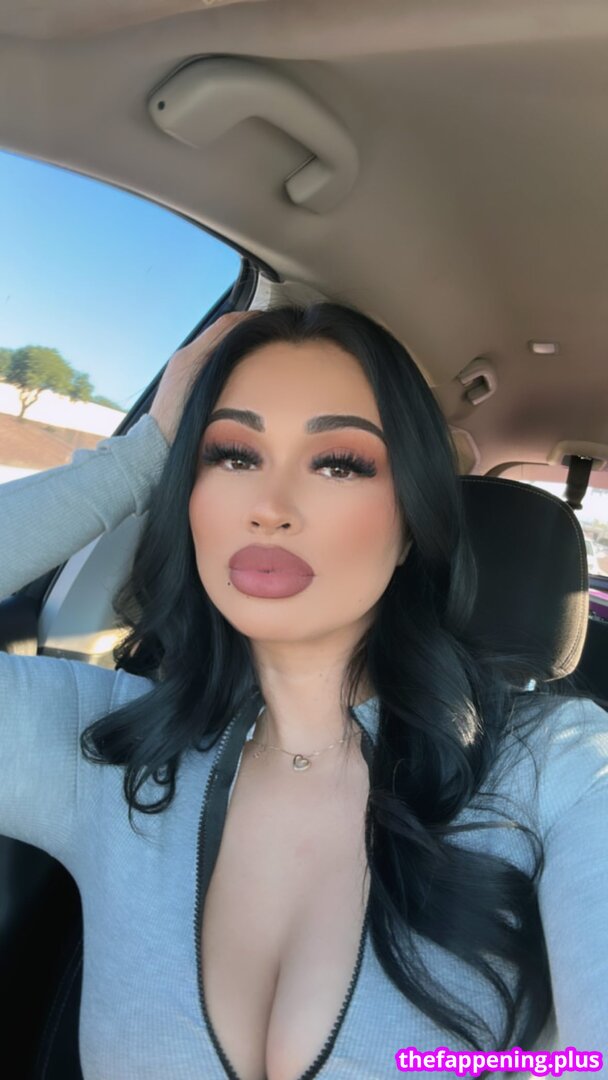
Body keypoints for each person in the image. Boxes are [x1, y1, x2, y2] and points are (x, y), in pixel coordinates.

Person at [1, 301, 607, 1080]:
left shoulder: (559, 770)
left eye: (339, 463)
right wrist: (139, 457)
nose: (269, 507)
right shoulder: (108, 745)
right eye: (231, 454)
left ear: (412, 522)